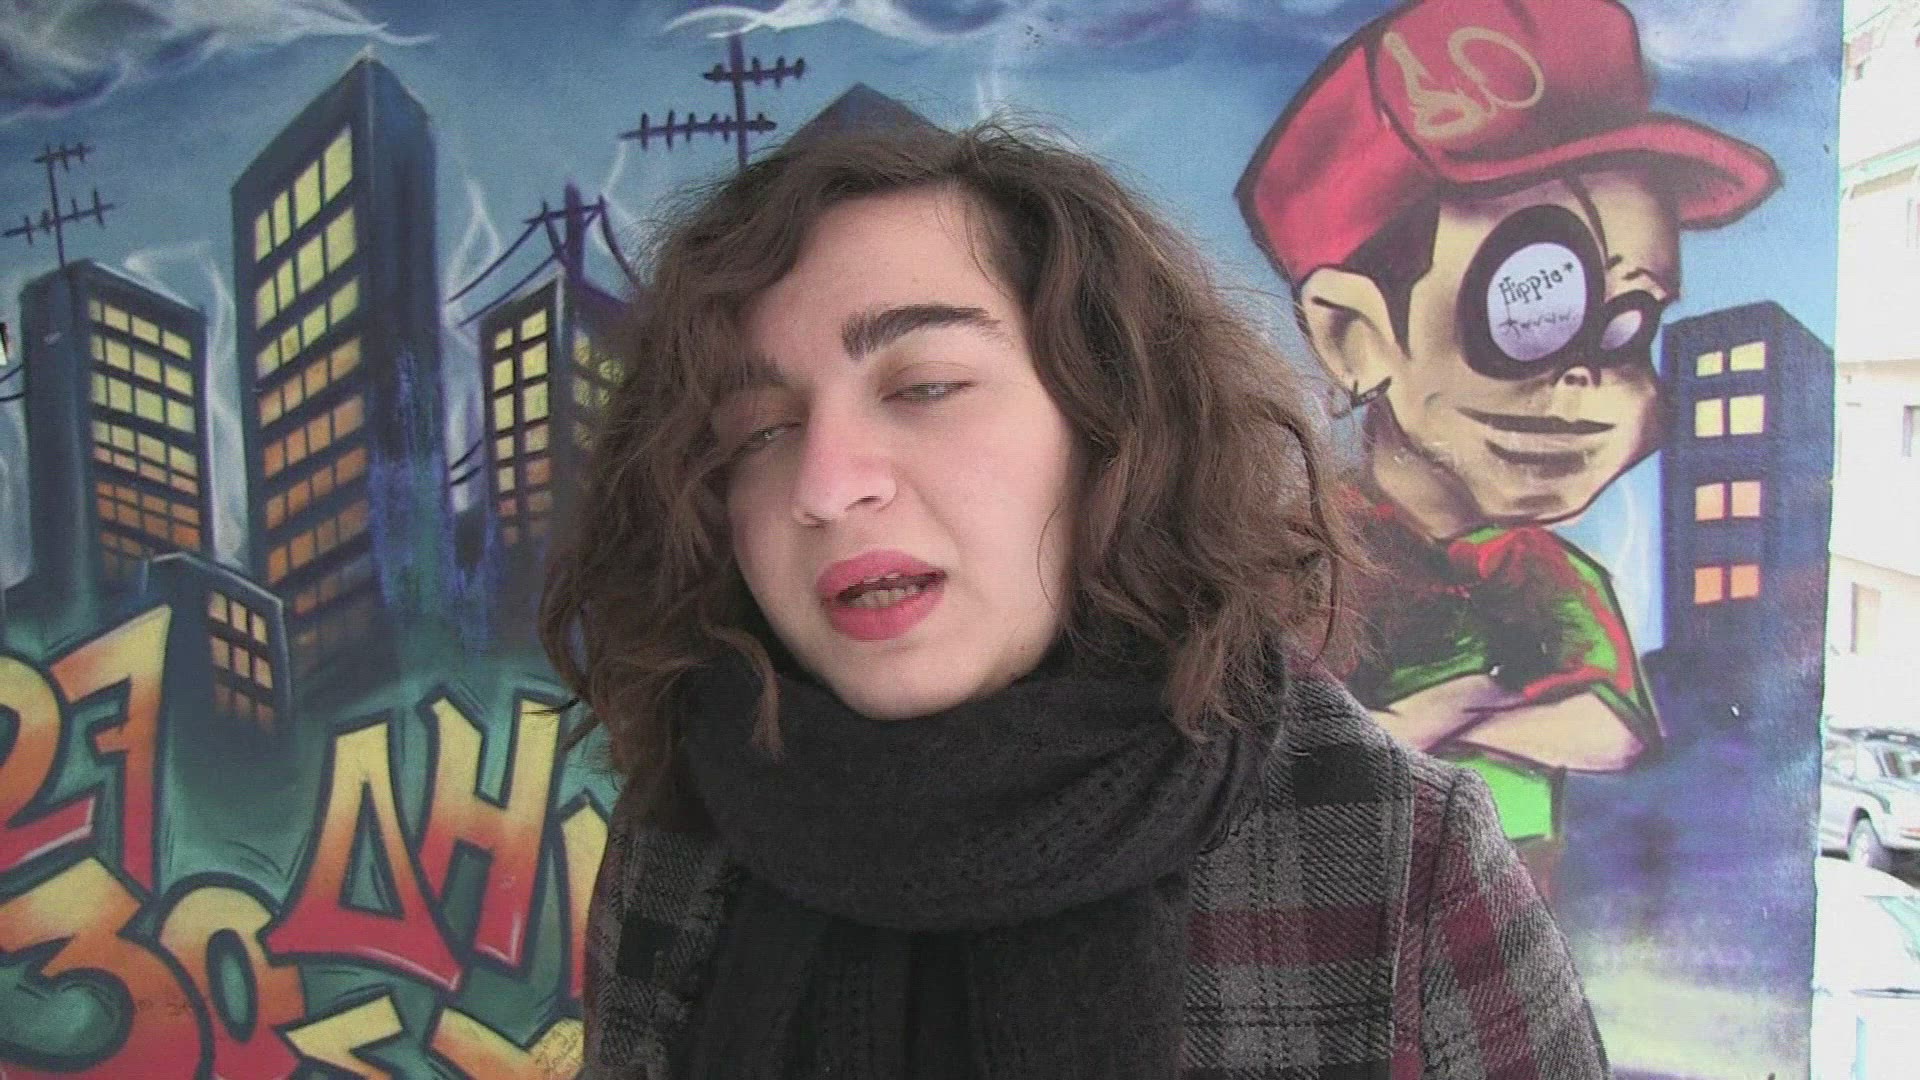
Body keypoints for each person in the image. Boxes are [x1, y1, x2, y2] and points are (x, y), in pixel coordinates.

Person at [544, 119, 1609, 1078]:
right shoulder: (686, 838)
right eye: (759, 431)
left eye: (925, 387)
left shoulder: (1396, 854)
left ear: (1113, 428)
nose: (823, 486)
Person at [1235, 0, 1779, 895]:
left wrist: (1447, 717)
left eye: (1628, 324)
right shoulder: (1295, 560)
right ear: (1354, 335)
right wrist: (1477, 705)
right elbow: (1276, 755)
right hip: (1329, 900)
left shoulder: (1546, 573)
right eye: (1531, 308)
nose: (1586, 377)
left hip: (1511, 886)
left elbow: (1613, 730)